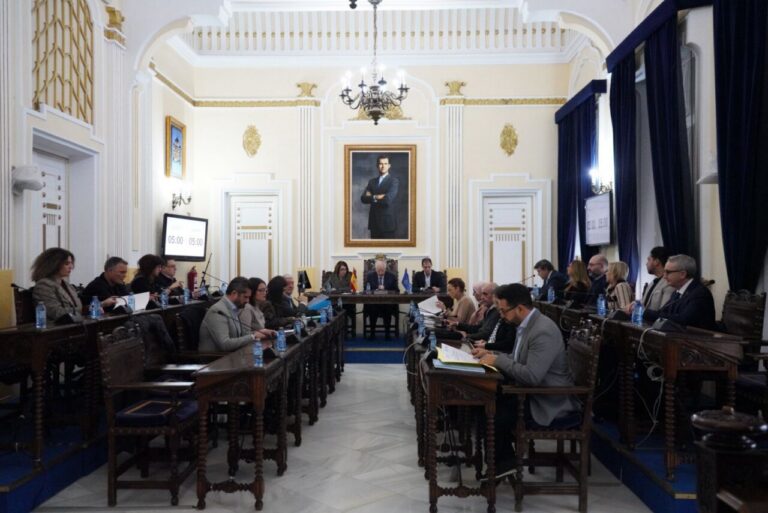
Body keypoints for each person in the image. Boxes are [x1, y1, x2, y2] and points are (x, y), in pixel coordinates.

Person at [472, 284, 578, 476]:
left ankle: (503, 463)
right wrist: (491, 354)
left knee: (493, 413)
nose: (501, 316)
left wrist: (498, 360)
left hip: (548, 400)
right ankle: (503, 461)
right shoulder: (526, 325)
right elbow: (517, 359)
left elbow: (532, 376)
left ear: (520, 308)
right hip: (531, 393)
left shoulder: (542, 330)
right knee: (484, 402)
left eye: (503, 311)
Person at [637, 254, 717, 330]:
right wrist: (642, 310)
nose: (664, 276)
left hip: (698, 338)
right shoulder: (676, 293)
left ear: (682, 274)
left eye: (668, 272)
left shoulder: (700, 294)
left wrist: (644, 312)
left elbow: (683, 320)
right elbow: (662, 313)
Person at [199, 277, 263, 352]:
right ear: (234, 293)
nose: (247, 301)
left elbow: (241, 335)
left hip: (231, 355)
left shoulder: (233, 308)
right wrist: (253, 337)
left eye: (249, 297)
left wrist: (260, 332)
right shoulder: (218, 311)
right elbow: (225, 344)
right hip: (215, 358)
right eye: (245, 297)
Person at [31, 247, 82, 321]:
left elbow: (78, 307)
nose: (71, 267)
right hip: (55, 326)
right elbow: (56, 312)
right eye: (66, 263)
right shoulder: (43, 285)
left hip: (73, 324)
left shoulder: (68, 285)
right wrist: (82, 310)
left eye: (71, 263)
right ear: (54, 265)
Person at [360, 155, 400, 239]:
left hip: (387, 224)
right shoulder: (372, 182)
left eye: (385, 164)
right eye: (381, 164)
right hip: (374, 223)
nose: (383, 166)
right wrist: (376, 197)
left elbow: (387, 200)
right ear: (377, 166)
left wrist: (371, 197)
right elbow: (363, 198)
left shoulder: (394, 181)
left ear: (389, 166)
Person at [363, 260, 399, 339]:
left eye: (382, 270)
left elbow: (397, 291)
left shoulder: (392, 276)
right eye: (378, 270)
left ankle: (387, 333)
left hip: (387, 303)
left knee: (388, 308)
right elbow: (365, 290)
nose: (380, 272)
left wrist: (385, 288)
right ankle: (372, 333)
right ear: (375, 269)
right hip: (374, 303)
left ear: (385, 269)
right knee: (372, 308)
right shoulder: (370, 276)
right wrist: (376, 290)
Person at [641, 246, 676, 311]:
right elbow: (644, 304)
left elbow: (664, 310)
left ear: (656, 262)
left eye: (649, 260)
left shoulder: (669, 283)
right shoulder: (652, 283)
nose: (646, 263)